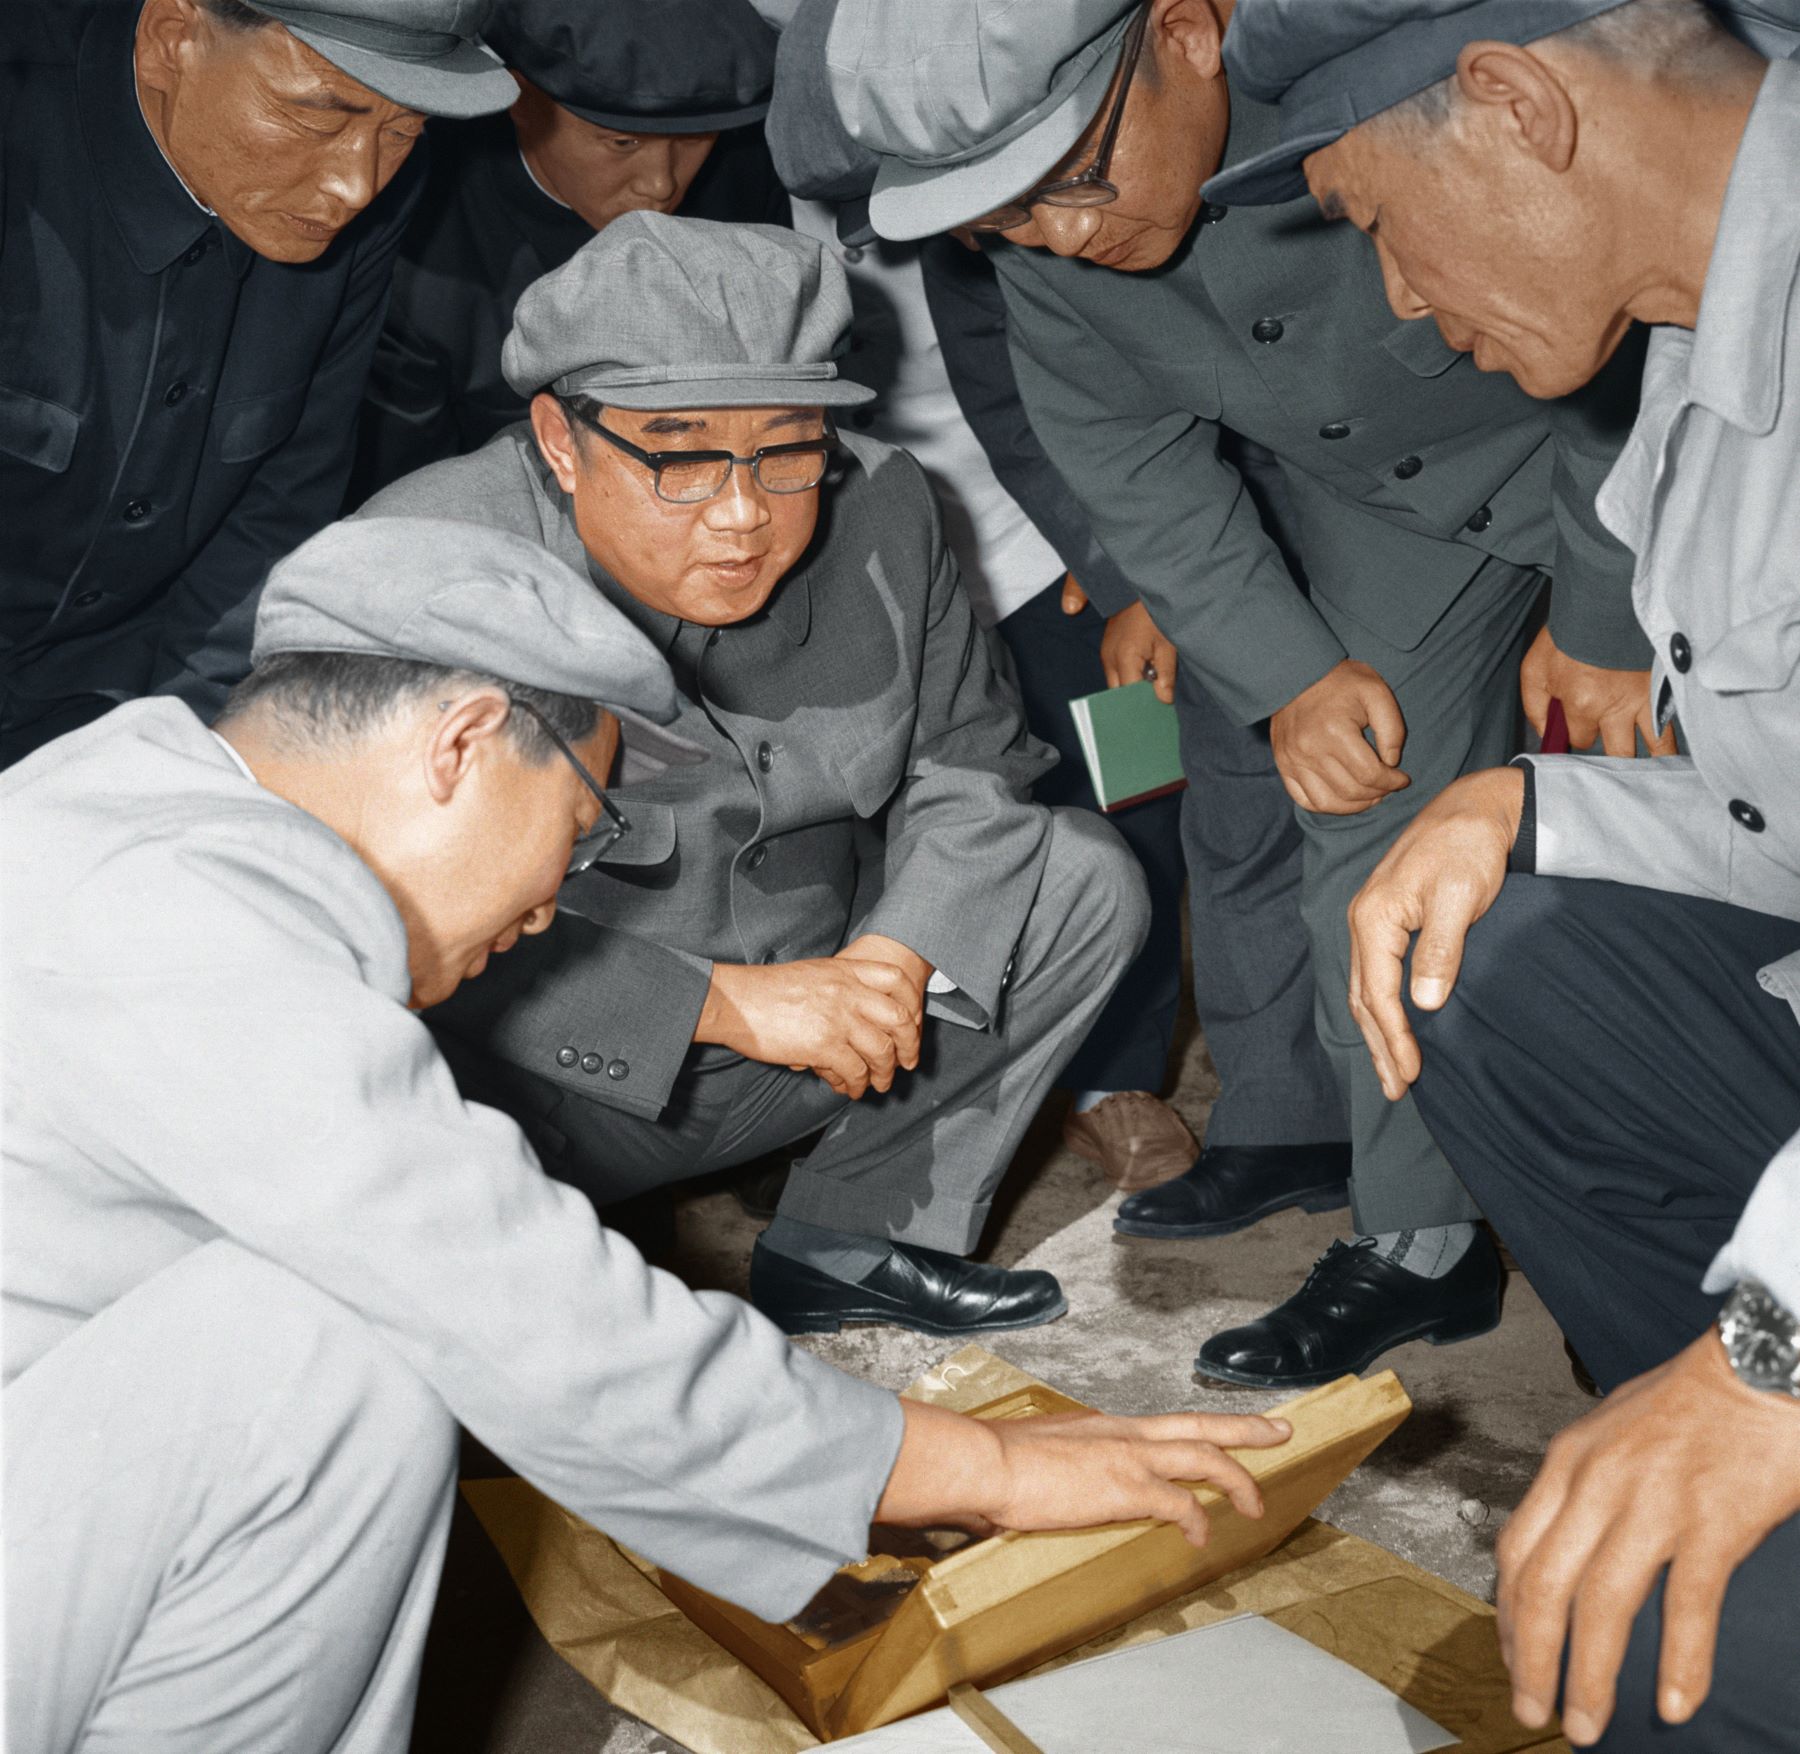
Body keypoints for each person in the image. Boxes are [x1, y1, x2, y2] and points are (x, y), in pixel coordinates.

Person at [1, 515, 1292, 1753]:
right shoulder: (181, 919)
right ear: (462, 744)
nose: (551, 903)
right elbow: (515, 1302)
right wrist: (984, 1468)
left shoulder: (113, 801)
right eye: (579, 827)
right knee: (326, 1348)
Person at [793, 0, 1657, 1389]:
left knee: (1721, 824)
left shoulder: (1389, 79)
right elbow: (1133, 465)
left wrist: (1606, 610)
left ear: (1189, 32)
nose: (1056, 235)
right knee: (1365, 844)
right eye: (1001, 221)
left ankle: (1716, 1264)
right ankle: (1423, 1240)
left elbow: (1637, 318)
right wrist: (1293, 674)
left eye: (1071, 179)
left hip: (1642, 455)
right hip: (1396, 520)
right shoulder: (1050, 242)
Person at [1213, 0, 1800, 1747]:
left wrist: (1771, 1357)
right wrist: (1526, 801)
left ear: (1516, 103)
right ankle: (1691, 1444)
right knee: (1486, 936)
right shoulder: (1704, 331)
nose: (1396, 296)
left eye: (1380, 220)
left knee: (1651, 1633)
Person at [362, 213, 1150, 1339]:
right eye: (680, 458)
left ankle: (852, 1236)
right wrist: (729, 1006)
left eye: (788, 451)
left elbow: (973, 760)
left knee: (1076, 877)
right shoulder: (425, 570)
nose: (743, 516)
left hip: (833, 1032)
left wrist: (891, 961)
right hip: (545, 1095)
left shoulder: (885, 502)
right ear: (560, 441)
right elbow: (385, 927)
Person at [783, 191, 1201, 1192]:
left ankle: (1115, 1076)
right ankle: (833, 1094)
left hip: (1040, 543)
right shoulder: (732, 175)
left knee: (1134, 796)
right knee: (850, 828)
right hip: (833, 560)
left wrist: (1119, 558)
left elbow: (1127, 370)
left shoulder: (997, 188)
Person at [0, 0, 519, 769]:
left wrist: (190, 763)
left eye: (405, 131)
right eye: (316, 116)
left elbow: (282, 502)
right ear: (172, 38)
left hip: (128, 698)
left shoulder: (362, 198)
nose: (356, 185)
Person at [350, 0, 793, 500]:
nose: (661, 183)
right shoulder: (415, 243)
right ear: (522, 101)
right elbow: (414, 497)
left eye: (695, 139)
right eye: (623, 143)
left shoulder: (745, 173)